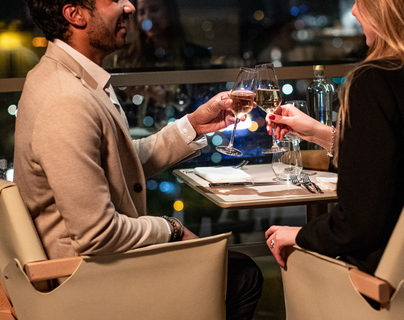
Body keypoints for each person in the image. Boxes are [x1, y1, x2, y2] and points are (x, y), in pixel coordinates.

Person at [14, 0, 262, 318]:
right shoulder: (66, 99)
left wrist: (195, 124)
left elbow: (119, 164)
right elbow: (98, 234)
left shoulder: (68, 78)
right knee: (242, 276)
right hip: (89, 284)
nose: (129, 6)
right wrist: (170, 228)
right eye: (114, 0)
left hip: (97, 269)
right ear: (74, 14)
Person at [265, 0, 404, 275]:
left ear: (385, 10)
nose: (354, 11)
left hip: (389, 287)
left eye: (359, 2)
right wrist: (319, 133)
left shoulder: (374, 81)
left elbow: (357, 224)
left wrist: (299, 235)